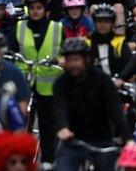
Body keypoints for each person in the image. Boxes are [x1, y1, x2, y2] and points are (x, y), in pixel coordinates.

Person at [54, 37, 131, 171]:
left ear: (86, 59)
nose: (72, 65)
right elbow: (60, 108)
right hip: (73, 141)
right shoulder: (60, 83)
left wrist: (128, 140)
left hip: (101, 141)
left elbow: (116, 111)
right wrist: (63, 128)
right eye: (69, 60)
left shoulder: (102, 80)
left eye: (76, 60)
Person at [11, 0, 63, 164]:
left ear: (44, 9)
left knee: (48, 127)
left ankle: (48, 161)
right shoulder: (19, 27)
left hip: (49, 87)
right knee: (21, 124)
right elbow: (10, 50)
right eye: (32, 7)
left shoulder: (57, 28)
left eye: (39, 7)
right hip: (24, 85)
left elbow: (65, 53)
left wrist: (61, 60)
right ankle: (20, 160)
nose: (35, 11)